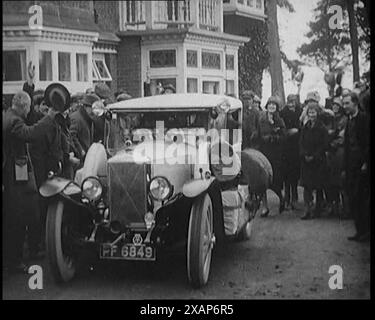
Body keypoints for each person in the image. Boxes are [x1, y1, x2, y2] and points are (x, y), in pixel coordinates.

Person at [3, 91, 43, 273]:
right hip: (14, 177)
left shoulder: (9, 116)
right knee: (17, 220)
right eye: (28, 108)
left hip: (14, 174)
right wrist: (47, 120)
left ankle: (15, 258)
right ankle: (15, 260)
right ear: (24, 107)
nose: (29, 112)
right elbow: (30, 134)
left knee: (16, 219)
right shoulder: (14, 122)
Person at [342, 91, 370, 242]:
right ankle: (359, 231)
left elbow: (367, 143)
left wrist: (366, 162)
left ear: (355, 103)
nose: (345, 106)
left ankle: (365, 231)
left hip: (362, 166)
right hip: (351, 165)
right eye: (344, 103)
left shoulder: (364, 119)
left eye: (347, 103)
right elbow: (347, 145)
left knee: (362, 199)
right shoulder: (349, 120)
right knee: (353, 198)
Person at [299, 102, 329, 220]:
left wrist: (315, 156)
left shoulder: (321, 128)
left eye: (313, 112)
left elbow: (324, 144)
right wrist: (304, 154)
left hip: (318, 161)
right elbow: (301, 142)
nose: (311, 115)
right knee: (307, 186)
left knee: (318, 186)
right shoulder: (305, 127)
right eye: (310, 112)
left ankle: (318, 209)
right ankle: (307, 210)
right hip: (306, 161)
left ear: (317, 113)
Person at [258, 96, 286, 217]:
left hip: (276, 154)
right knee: (263, 181)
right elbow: (259, 133)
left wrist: (275, 137)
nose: (271, 107)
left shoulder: (280, 120)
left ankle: (281, 198)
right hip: (264, 152)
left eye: (274, 105)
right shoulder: (262, 119)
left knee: (275, 180)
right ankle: (265, 206)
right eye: (270, 105)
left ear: (277, 107)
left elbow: (284, 136)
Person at [325, 97, 347, 217]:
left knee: (340, 180)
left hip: (339, 152)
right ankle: (333, 205)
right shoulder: (330, 119)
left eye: (337, 105)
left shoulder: (344, 120)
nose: (335, 107)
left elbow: (342, 137)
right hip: (330, 153)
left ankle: (344, 207)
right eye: (334, 105)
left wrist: (333, 143)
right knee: (330, 181)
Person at [280, 94, 302, 210]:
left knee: (294, 175)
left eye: (293, 102)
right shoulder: (283, 113)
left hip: (296, 146)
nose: (291, 104)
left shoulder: (300, 111)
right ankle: (287, 198)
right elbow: (280, 127)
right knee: (286, 175)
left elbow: (302, 126)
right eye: (289, 102)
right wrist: (288, 132)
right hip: (285, 146)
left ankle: (294, 198)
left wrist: (297, 131)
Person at [70, 93, 101, 161]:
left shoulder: (89, 119)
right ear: (85, 106)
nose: (94, 112)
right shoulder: (76, 118)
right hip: (78, 159)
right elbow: (71, 136)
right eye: (92, 108)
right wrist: (81, 151)